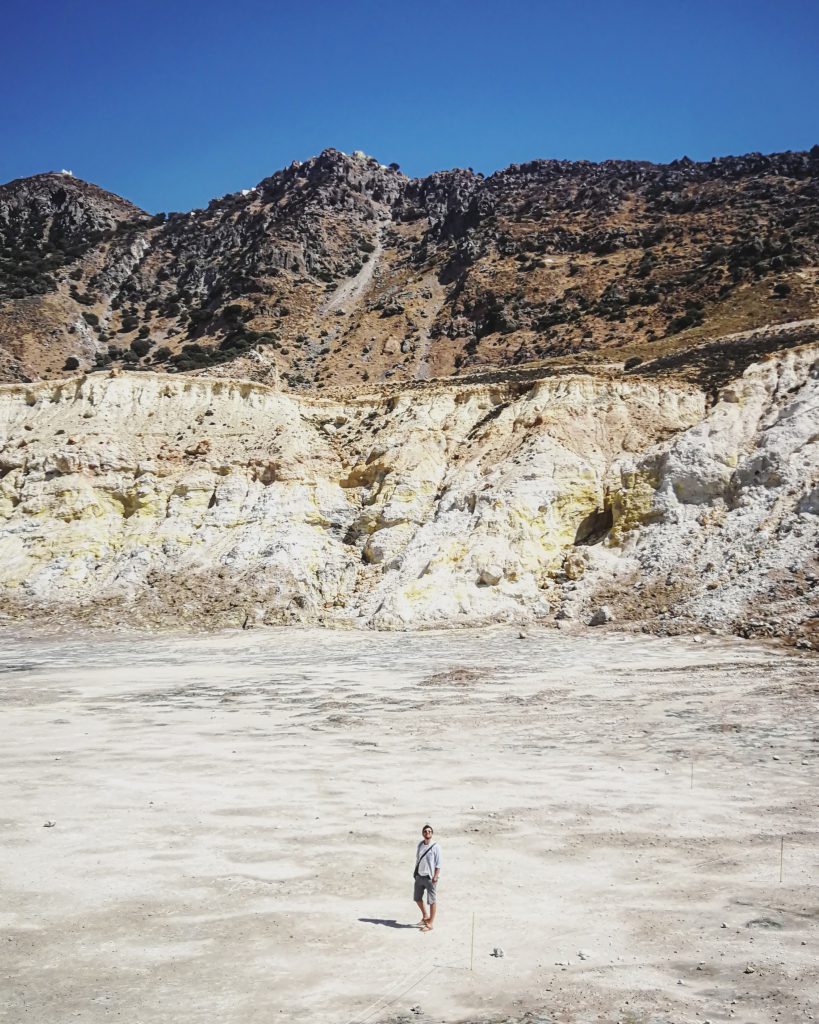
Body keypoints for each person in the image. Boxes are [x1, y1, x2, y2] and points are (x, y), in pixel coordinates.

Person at [413, 824, 441, 931]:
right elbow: (417, 859)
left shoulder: (436, 847)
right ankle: (425, 916)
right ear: (422, 833)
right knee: (417, 898)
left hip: (430, 878)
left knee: (432, 900)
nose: (427, 833)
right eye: (425, 831)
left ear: (432, 833)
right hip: (419, 876)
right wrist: (416, 874)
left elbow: (438, 863)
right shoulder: (420, 845)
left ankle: (430, 923)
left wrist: (435, 877)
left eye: (429, 831)